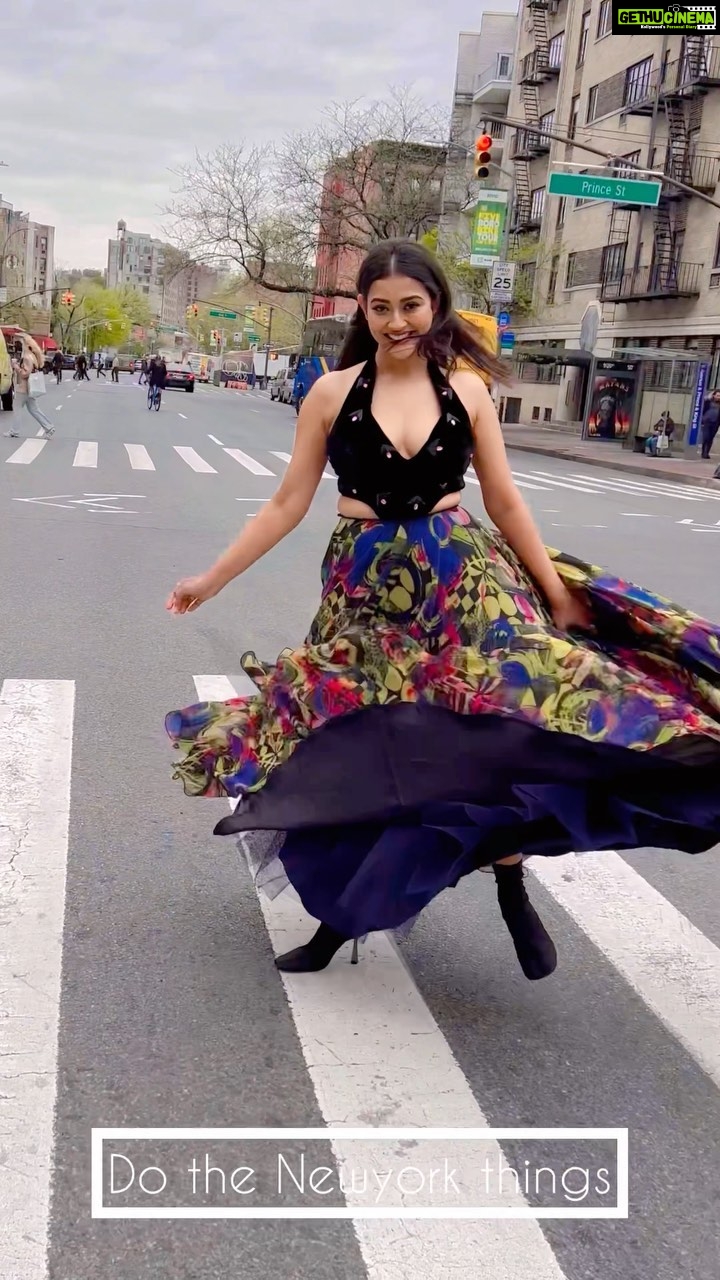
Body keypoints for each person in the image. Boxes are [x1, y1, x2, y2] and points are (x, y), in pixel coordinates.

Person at [164, 239, 720, 983]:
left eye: (411, 305)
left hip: (463, 577)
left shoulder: (465, 387)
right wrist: (215, 577)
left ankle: (513, 881)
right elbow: (286, 502)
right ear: (362, 309)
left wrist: (555, 592)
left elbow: (504, 497)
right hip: (365, 587)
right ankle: (341, 917)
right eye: (381, 306)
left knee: (502, 730)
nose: (397, 321)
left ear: (436, 306)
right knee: (364, 743)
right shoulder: (331, 393)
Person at [4, 333, 55, 439]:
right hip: (31, 388)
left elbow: (25, 373)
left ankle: (14, 431)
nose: (20, 346)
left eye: (21, 344)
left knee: (17, 409)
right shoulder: (33, 356)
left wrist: (15, 366)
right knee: (34, 410)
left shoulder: (27, 357)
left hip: (23, 388)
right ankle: (49, 427)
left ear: (26, 345)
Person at [700, 389, 720, 459]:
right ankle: (703, 452)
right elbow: (702, 404)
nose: (718, 397)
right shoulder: (708, 402)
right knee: (706, 437)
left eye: (719, 396)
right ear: (714, 395)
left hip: (715, 423)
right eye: (717, 395)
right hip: (707, 422)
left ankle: (706, 453)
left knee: (711, 438)